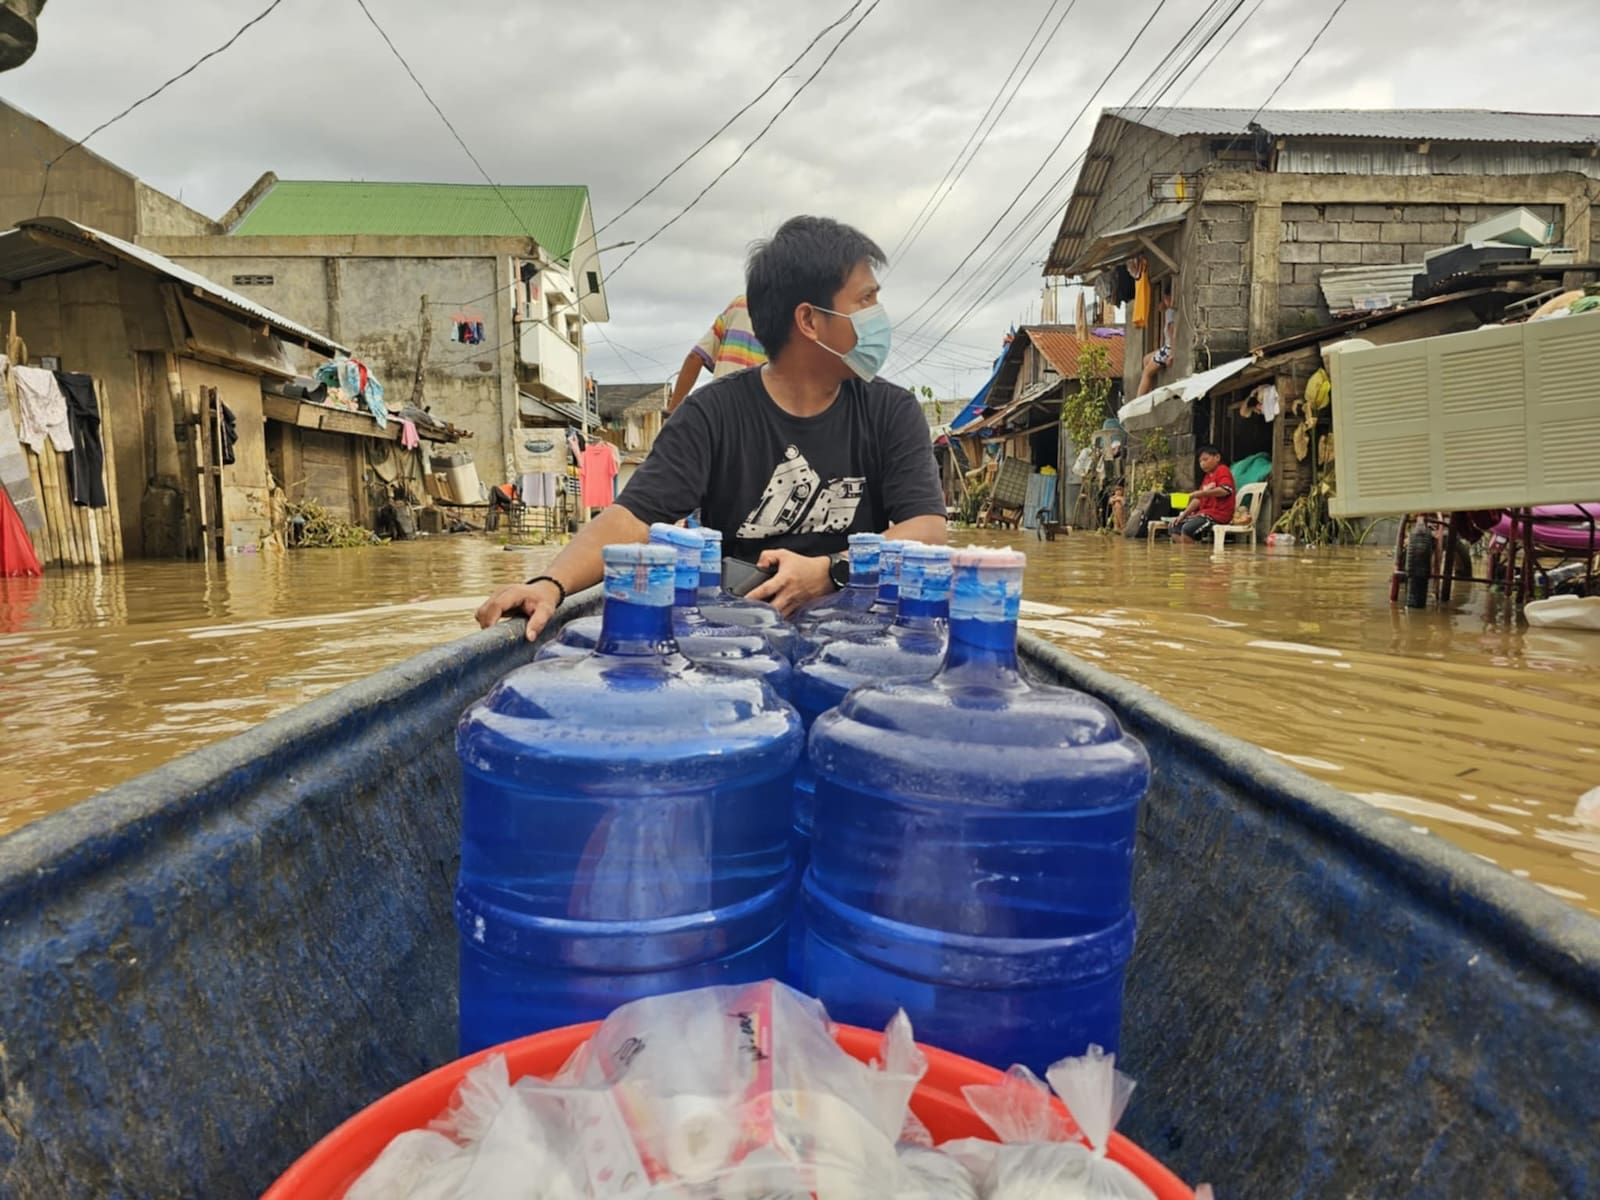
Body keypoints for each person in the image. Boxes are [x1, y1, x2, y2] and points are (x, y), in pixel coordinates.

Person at [477, 215, 948, 638]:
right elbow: (633, 518)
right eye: (865, 300)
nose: (877, 317)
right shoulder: (713, 414)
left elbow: (927, 528)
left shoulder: (892, 411)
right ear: (809, 320)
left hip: (853, 635)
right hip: (738, 636)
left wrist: (830, 571)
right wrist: (549, 583)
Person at [668, 294, 767, 412]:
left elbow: (695, 357)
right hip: (758, 412)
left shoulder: (739, 304)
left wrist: (672, 412)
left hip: (718, 405)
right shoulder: (788, 316)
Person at [1172, 445, 1235, 543]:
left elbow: (1225, 490)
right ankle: (1189, 554)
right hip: (1204, 513)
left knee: (1187, 529)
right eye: (1200, 461)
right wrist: (1183, 515)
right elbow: (1198, 499)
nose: (1202, 464)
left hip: (1219, 515)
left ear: (1217, 457)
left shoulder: (1222, 470)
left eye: (1205, 459)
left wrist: (1202, 493)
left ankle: (1191, 555)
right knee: (1174, 527)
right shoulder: (1207, 477)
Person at [1135, 281, 1177, 398]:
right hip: (1166, 347)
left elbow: (1173, 334)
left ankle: (1139, 400)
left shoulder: (1171, 313)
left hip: (1169, 349)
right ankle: (1149, 392)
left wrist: (1171, 355)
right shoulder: (1170, 310)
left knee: (1147, 372)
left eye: (1165, 298)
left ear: (1169, 297)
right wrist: (1164, 304)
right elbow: (1161, 307)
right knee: (1146, 359)